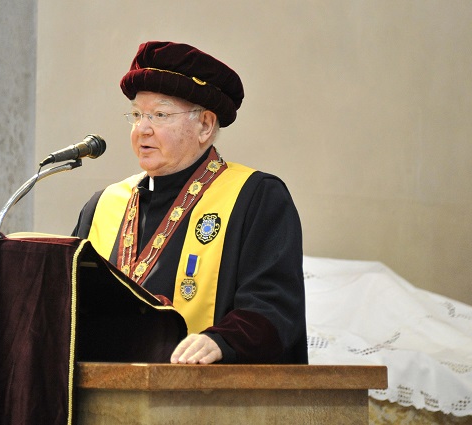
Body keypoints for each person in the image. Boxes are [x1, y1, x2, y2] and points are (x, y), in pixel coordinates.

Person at [73, 41, 307, 365]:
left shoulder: (254, 197)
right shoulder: (103, 205)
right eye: (137, 114)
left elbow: (273, 306)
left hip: (204, 388)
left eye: (160, 114)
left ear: (205, 125)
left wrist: (223, 341)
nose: (142, 129)